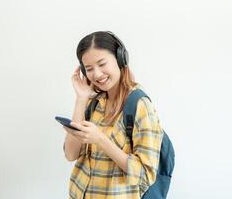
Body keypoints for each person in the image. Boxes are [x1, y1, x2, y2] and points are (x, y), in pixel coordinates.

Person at [63, 31, 164, 199]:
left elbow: (145, 176)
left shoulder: (140, 106)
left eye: (102, 64)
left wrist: (100, 139)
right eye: (89, 69)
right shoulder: (93, 103)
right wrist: (81, 98)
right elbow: (70, 154)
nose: (96, 74)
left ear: (120, 59)